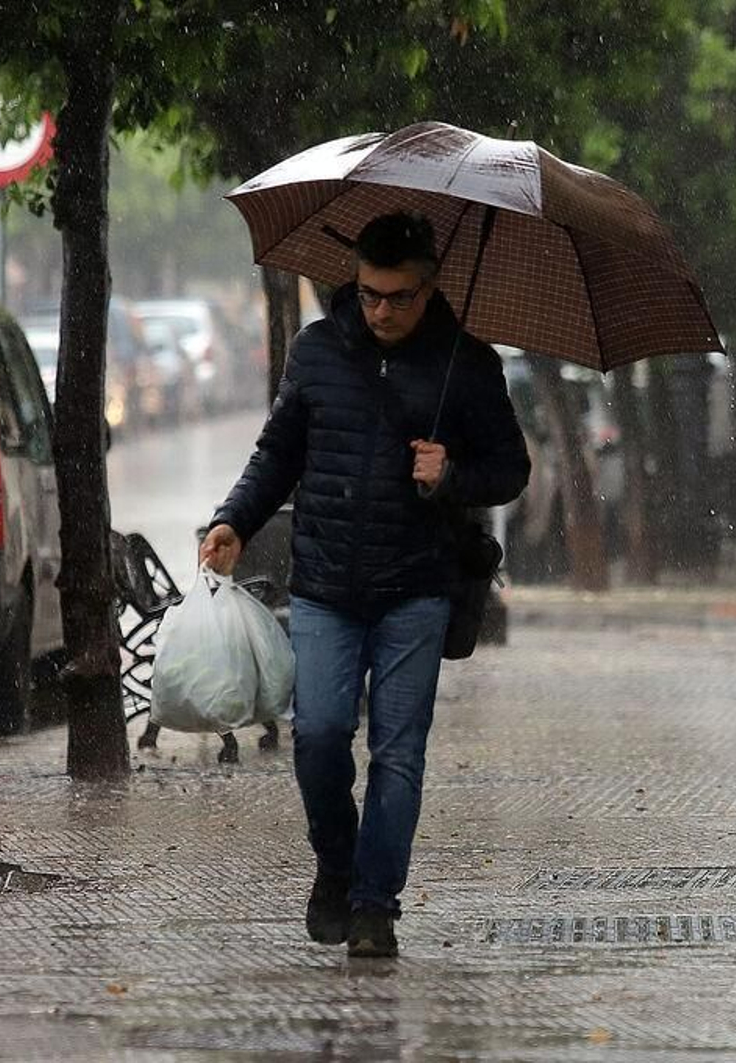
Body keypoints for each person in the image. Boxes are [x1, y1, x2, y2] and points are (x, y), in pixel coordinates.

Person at [199, 211, 530, 958]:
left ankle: (376, 903)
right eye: (370, 293)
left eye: (399, 297)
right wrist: (235, 520)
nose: (381, 310)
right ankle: (337, 866)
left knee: (399, 753)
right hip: (324, 586)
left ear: (430, 286)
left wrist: (452, 474)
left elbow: (512, 470)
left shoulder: (468, 366)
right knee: (317, 734)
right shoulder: (317, 352)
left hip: (418, 586)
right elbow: (278, 452)